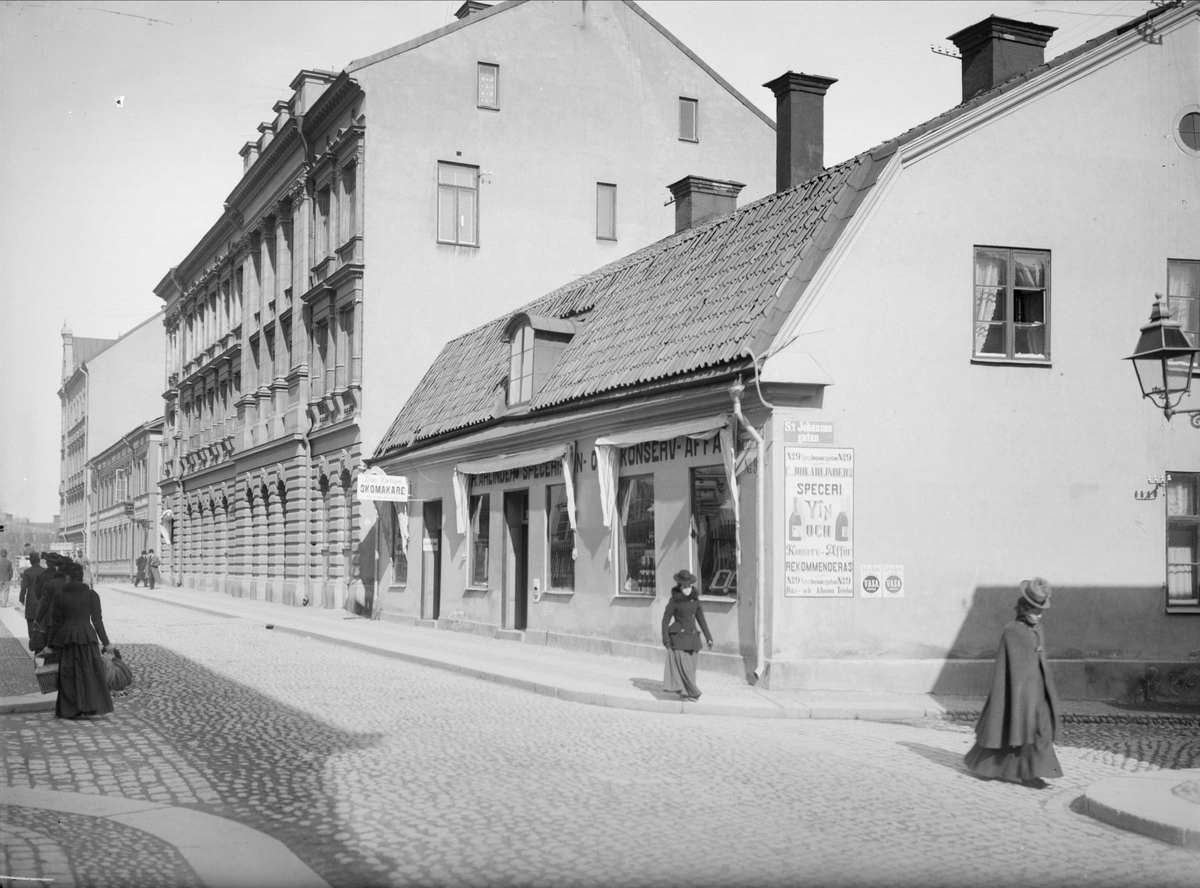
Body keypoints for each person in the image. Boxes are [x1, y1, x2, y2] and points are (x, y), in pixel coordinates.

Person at [964, 578, 1063, 788]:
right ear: (1024, 608)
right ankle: (988, 767)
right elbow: (1010, 670)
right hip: (1019, 693)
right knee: (1013, 727)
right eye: (1035, 611)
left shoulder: (1037, 628)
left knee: (1041, 729)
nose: (1039, 615)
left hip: (1039, 691)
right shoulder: (1013, 631)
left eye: (1041, 611)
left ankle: (1031, 772)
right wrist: (1019, 695)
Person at [46, 562, 113, 720]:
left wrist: (50, 645)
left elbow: (56, 622)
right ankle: (89, 706)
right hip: (87, 638)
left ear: (68, 577)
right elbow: (97, 621)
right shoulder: (92, 595)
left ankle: (70, 709)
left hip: (67, 639)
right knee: (89, 673)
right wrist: (106, 643)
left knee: (68, 674)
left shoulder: (59, 595)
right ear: (81, 577)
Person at [661, 569, 713, 702]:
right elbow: (665, 620)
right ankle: (691, 693)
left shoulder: (695, 600)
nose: (688, 589)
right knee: (684, 669)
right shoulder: (674, 601)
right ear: (679, 586)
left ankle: (687, 693)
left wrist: (708, 637)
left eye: (689, 586)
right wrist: (666, 639)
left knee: (690, 670)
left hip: (693, 639)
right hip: (678, 639)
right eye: (685, 587)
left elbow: (701, 618)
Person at [19, 551, 46, 639]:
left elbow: (24, 587)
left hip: (31, 599)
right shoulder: (44, 571)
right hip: (42, 599)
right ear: (39, 560)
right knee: (42, 622)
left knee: (30, 621)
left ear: (30, 561)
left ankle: (32, 639)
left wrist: (21, 598)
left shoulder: (27, 572)